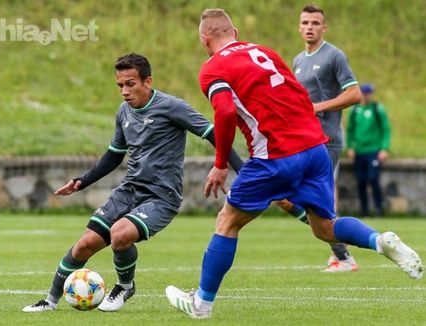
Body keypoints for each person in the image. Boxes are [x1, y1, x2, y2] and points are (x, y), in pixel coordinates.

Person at [165, 8, 423, 319]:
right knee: (325, 228)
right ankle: (379, 241)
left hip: (275, 154)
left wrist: (220, 163)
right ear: (234, 32)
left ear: (205, 40)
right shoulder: (265, 52)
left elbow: (225, 113)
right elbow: (298, 93)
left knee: (228, 221)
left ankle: (201, 305)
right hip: (314, 149)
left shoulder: (213, 68)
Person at [22, 53, 243, 313]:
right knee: (84, 245)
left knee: (120, 234)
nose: (124, 91)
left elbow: (214, 133)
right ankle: (49, 301)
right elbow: (115, 154)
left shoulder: (172, 106)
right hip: (128, 190)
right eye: (120, 86)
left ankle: (125, 286)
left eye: (130, 84)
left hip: (161, 197)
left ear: (147, 82)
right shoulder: (123, 111)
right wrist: (81, 181)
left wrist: (243, 171)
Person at [277, 3, 362, 272]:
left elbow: (354, 94)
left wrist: (318, 107)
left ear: (324, 27)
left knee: (304, 197)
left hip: (327, 140)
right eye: (305, 23)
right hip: (305, 140)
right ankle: (339, 250)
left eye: (315, 23)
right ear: (299, 27)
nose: (309, 27)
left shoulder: (334, 56)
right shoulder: (298, 61)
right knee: (285, 197)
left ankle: (345, 256)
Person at [347, 83, 391, 217]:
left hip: (373, 150)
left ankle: (378, 209)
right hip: (359, 151)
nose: (367, 96)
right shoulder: (355, 110)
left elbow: (385, 129)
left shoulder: (377, 109)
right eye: (365, 93)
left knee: (373, 179)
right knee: (361, 181)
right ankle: (364, 210)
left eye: (369, 93)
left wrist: (384, 148)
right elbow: (350, 130)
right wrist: (350, 147)